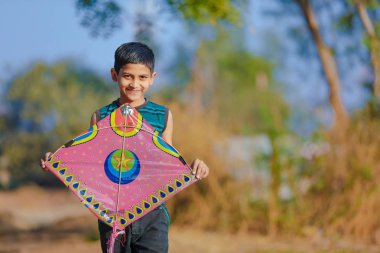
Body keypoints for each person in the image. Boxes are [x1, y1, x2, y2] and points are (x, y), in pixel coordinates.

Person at [40, 42, 210, 253]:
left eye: (142, 77)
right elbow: (90, 163)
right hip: (111, 217)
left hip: (152, 214)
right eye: (127, 76)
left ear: (153, 78)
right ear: (114, 74)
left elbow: (168, 163)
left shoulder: (162, 115)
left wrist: (195, 167)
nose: (134, 84)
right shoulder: (101, 116)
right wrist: (56, 161)